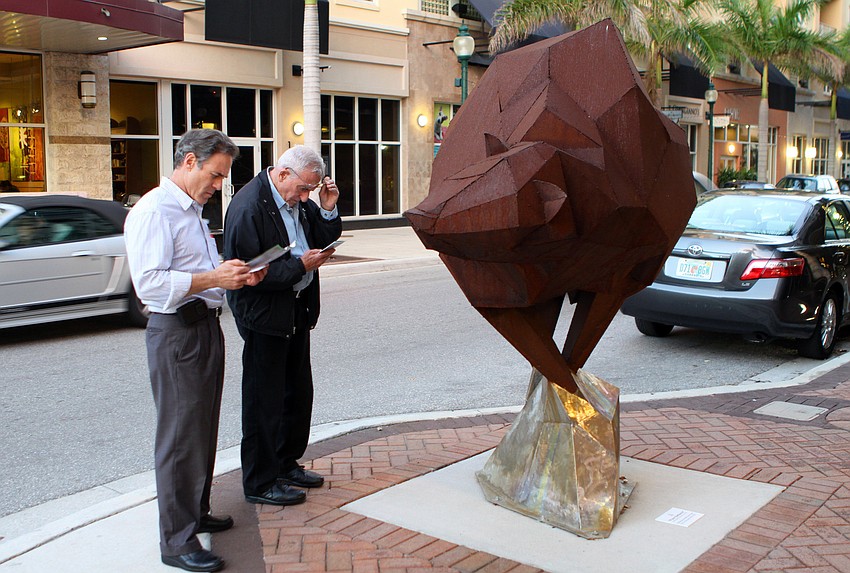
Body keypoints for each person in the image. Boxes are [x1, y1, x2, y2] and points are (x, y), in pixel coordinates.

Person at [124, 129, 268, 573]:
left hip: (203, 328)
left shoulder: (192, 212)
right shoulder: (155, 210)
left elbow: (199, 273)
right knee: (180, 438)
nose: (219, 184)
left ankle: (196, 510)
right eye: (216, 174)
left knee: (201, 431)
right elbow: (150, 285)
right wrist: (214, 280)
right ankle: (177, 539)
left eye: (223, 176)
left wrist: (236, 276)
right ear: (188, 161)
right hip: (177, 333)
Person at [223, 145, 341, 506]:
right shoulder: (249, 207)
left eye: (311, 191)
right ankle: (260, 480)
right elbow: (250, 271)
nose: (305, 197)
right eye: (304, 189)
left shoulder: (298, 199)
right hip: (265, 316)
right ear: (284, 173)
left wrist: (328, 207)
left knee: (296, 393)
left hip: (296, 312)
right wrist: (300, 268)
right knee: (264, 401)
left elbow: (317, 237)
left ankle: (285, 462)